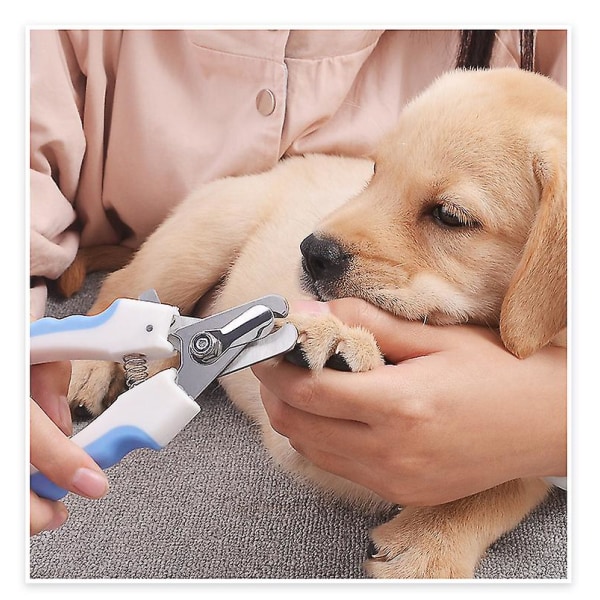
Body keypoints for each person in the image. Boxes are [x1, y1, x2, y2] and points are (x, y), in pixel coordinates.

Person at [29, 29, 567, 534]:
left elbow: (528, 465)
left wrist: (552, 421)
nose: (322, 241)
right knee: (227, 211)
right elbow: (297, 438)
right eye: (375, 171)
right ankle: (122, 310)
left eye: (449, 215)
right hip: (261, 210)